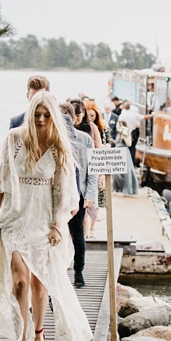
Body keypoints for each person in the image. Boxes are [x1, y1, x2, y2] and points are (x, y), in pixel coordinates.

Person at [0, 92, 93, 341]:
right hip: (15, 219)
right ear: (30, 113)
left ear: (53, 117)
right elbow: (0, 180)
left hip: (44, 220)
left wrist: (58, 225)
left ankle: (39, 333)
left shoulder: (59, 146)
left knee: (39, 284)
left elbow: (66, 192)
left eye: (46, 115)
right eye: (37, 114)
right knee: (19, 281)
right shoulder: (14, 139)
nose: (41, 119)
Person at [67, 99, 98, 287]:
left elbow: (93, 168)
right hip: (58, 195)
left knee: (78, 233)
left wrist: (92, 194)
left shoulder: (87, 136)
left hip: (79, 192)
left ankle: (79, 271)